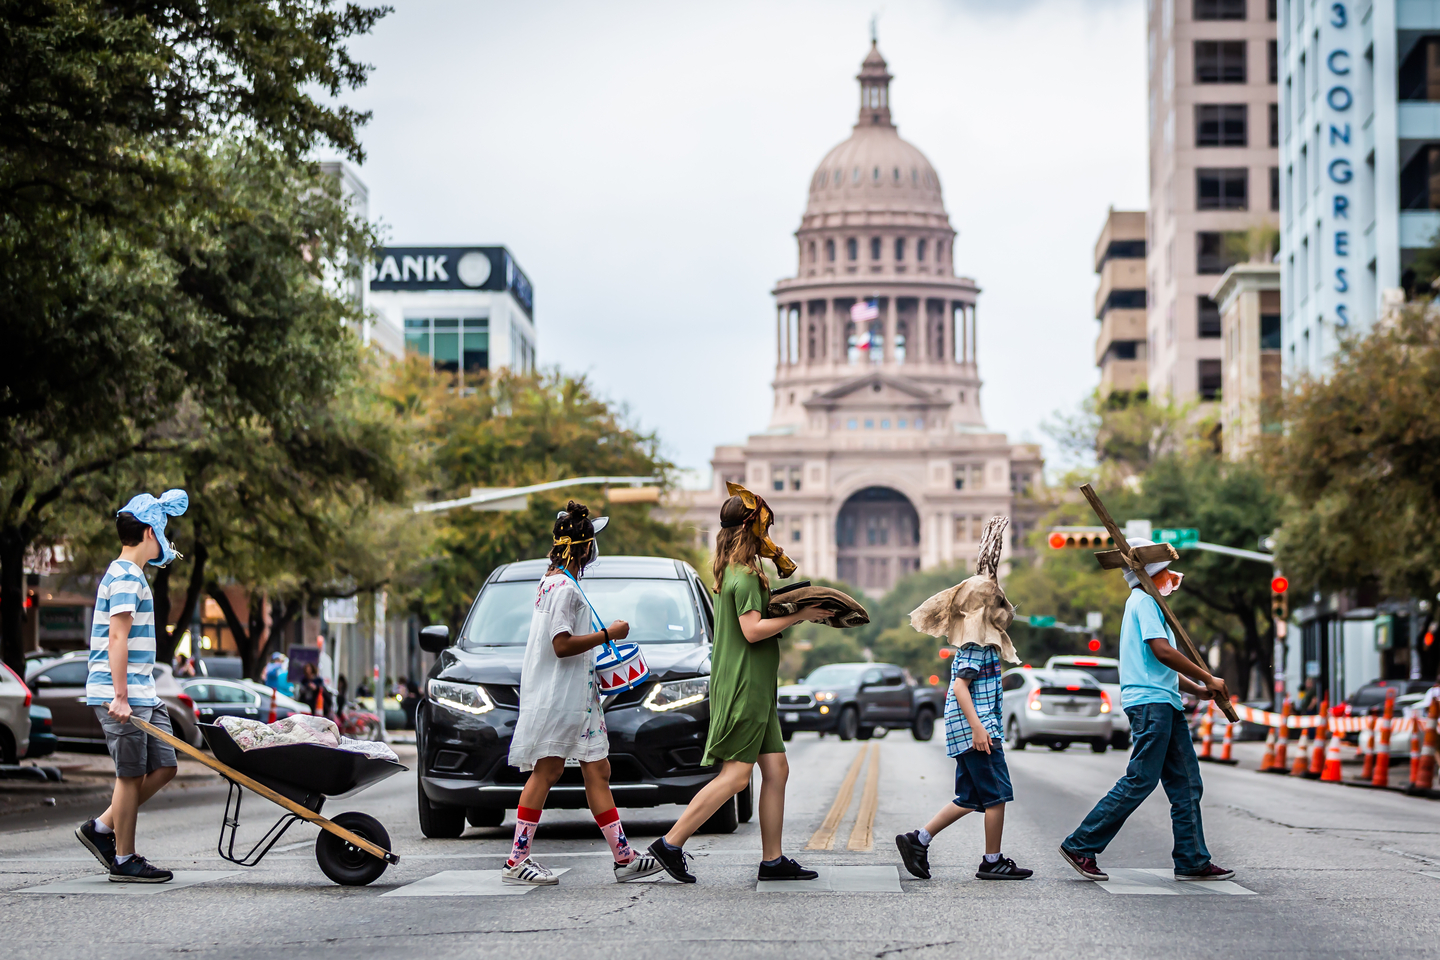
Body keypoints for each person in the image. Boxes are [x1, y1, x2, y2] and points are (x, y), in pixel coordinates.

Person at [647, 483, 829, 884]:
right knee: (736, 776)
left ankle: (773, 860)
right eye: (765, 527)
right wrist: (802, 614)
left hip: (755, 685)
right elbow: (752, 631)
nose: (769, 536)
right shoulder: (745, 575)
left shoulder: (732, 569)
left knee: (776, 770)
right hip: (747, 685)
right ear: (751, 528)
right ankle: (670, 843)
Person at [503, 501, 664, 886]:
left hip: (577, 696)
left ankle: (624, 857)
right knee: (548, 770)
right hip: (560, 697)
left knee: (598, 769)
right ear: (585, 547)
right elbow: (560, 644)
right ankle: (516, 860)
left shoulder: (558, 583)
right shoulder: (563, 590)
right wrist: (609, 634)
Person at [1059, 538, 1235, 883]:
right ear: (1151, 574)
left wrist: (1199, 689)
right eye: (1166, 572)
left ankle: (1192, 859)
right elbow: (1162, 652)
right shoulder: (1143, 602)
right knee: (1141, 779)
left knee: (1186, 783)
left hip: (1164, 702)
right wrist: (1207, 675)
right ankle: (1081, 843)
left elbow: (1160, 666)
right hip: (1151, 705)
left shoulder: (1147, 603)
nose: (1170, 578)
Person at [896, 517, 1033, 882]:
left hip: (972, 730)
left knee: (969, 798)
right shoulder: (977, 644)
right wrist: (979, 728)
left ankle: (918, 839)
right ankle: (992, 860)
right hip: (979, 731)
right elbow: (959, 686)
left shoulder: (980, 642)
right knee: (997, 796)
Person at [75, 489, 189, 883]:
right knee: (129, 775)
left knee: (166, 765)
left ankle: (102, 828)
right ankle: (124, 859)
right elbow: (117, 638)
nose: (163, 540)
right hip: (121, 694)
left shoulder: (133, 575)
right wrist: (120, 696)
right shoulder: (124, 576)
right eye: (161, 532)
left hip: (143, 692)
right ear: (148, 534)